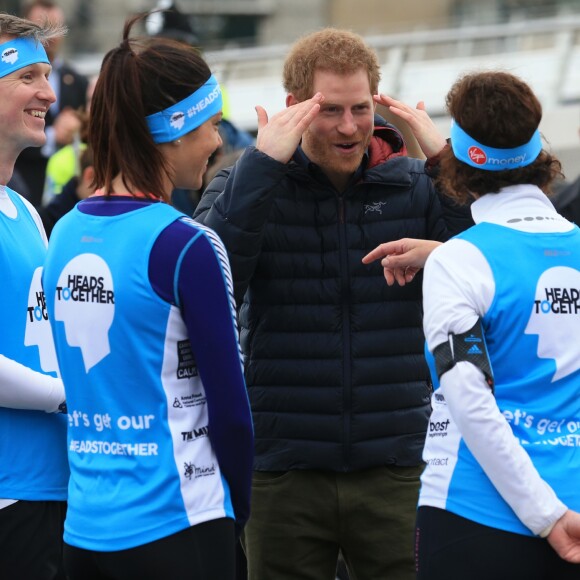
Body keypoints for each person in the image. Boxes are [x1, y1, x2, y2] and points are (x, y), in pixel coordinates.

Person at [193, 27, 471, 580]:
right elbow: (208, 278)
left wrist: (444, 162)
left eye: (361, 108)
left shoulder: (416, 185)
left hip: (397, 463)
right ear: (294, 108)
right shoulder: (245, 183)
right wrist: (260, 170)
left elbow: (488, 270)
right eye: (331, 110)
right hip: (283, 469)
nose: (349, 127)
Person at [42, 13, 254, 580]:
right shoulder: (185, 243)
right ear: (174, 128)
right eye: (210, 122)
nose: (216, 139)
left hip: (84, 530)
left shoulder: (60, 233)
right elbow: (231, 411)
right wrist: (241, 511)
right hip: (181, 524)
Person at [366, 70, 580, 579]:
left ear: (457, 160)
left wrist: (545, 517)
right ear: (539, 151)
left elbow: (468, 400)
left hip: (477, 514)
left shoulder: (460, 262)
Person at [0, 12, 69, 580]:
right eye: (29, 77)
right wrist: (71, 396)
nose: (49, 92)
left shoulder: (23, 209)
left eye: (48, 75)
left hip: (53, 484)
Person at [11, 0, 88, 207]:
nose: (50, 37)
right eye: (42, 28)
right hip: (25, 188)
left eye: (55, 28)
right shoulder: (9, 75)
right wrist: (53, 135)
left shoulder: (78, 80)